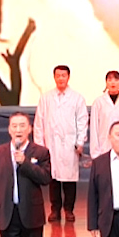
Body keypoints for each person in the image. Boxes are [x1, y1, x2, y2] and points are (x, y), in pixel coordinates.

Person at [33, 65, 88, 223]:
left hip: (70, 144)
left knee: (70, 179)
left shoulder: (77, 98)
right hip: (51, 144)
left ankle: (69, 210)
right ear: (54, 77)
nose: (61, 78)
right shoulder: (46, 98)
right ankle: (55, 210)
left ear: (68, 77)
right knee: (54, 178)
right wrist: (40, 145)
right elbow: (39, 122)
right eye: (58, 75)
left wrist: (80, 141)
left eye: (64, 75)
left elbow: (82, 121)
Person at [89, 70, 119, 160]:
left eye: (116, 79)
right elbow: (94, 128)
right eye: (110, 80)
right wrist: (95, 152)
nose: (113, 82)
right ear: (106, 83)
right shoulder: (99, 102)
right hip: (104, 145)